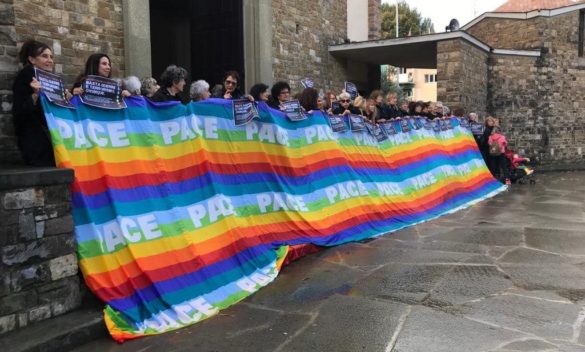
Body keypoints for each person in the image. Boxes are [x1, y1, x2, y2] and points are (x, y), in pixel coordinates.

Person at [12, 40, 61, 166]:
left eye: (51, 57)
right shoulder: (27, 75)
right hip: (36, 144)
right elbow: (19, 113)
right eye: (44, 56)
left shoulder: (50, 79)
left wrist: (67, 99)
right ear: (32, 60)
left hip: (48, 140)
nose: (50, 60)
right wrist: (34, 95)